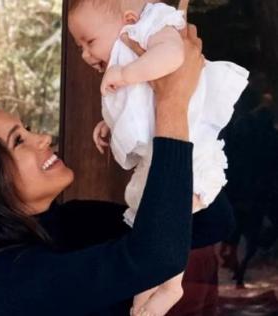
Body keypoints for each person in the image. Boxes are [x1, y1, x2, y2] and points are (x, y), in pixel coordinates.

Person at [0, 24, 235, 316]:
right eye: (19, 141)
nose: (44, 139)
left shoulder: (70, 222)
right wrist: (172, 103)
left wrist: (154, 117)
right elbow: (156, 257)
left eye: (28, 128)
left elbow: (208, 222)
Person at [67, 0, 248, 314]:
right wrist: (109, 125)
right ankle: (145, 298)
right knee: (150, 228)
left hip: (190, 151)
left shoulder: (152, 25)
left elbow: (173, 55)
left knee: (169, 221)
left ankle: (171, 286)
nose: (85, 54)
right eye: (79, 46)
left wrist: (126, 73)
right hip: (159, 156)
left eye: (90, 41)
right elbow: (139, 106)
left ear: (127, 19)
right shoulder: (124, 58)